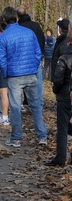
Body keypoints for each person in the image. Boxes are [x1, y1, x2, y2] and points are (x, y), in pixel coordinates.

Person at [0, 6, 47, 147]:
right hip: (31, 74)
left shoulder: (3, 37)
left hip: (14, 76)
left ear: (4, 20)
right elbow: (38, 52)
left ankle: (16, 138)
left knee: (16, 107)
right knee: (36, 106)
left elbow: (1, 59)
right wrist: (33, 67)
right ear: (16, 18)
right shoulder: (29, 32)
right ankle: (42, 136)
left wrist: (6, 73)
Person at [44, 24, 72, 167]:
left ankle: (60, 158)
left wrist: (56, 89)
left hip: (65, 96)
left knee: (62, 129)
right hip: (66, 94)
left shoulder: (65, 57)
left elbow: (58, 78)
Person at [17, 7, 45, 109]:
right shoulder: (36, 25)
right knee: (38, 84)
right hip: (36, 58)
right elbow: (42, 39)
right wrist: (40, 55)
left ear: (17, 16)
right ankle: (39, 105)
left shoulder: (19, 26)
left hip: (24, 59)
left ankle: (25, 103)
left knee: (22, 83)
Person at [51, 19, 69, 83]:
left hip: (63, 82)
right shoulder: (61, 40)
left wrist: (57, 83)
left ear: (60, 29)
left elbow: (62, 66)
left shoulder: (64, 44)